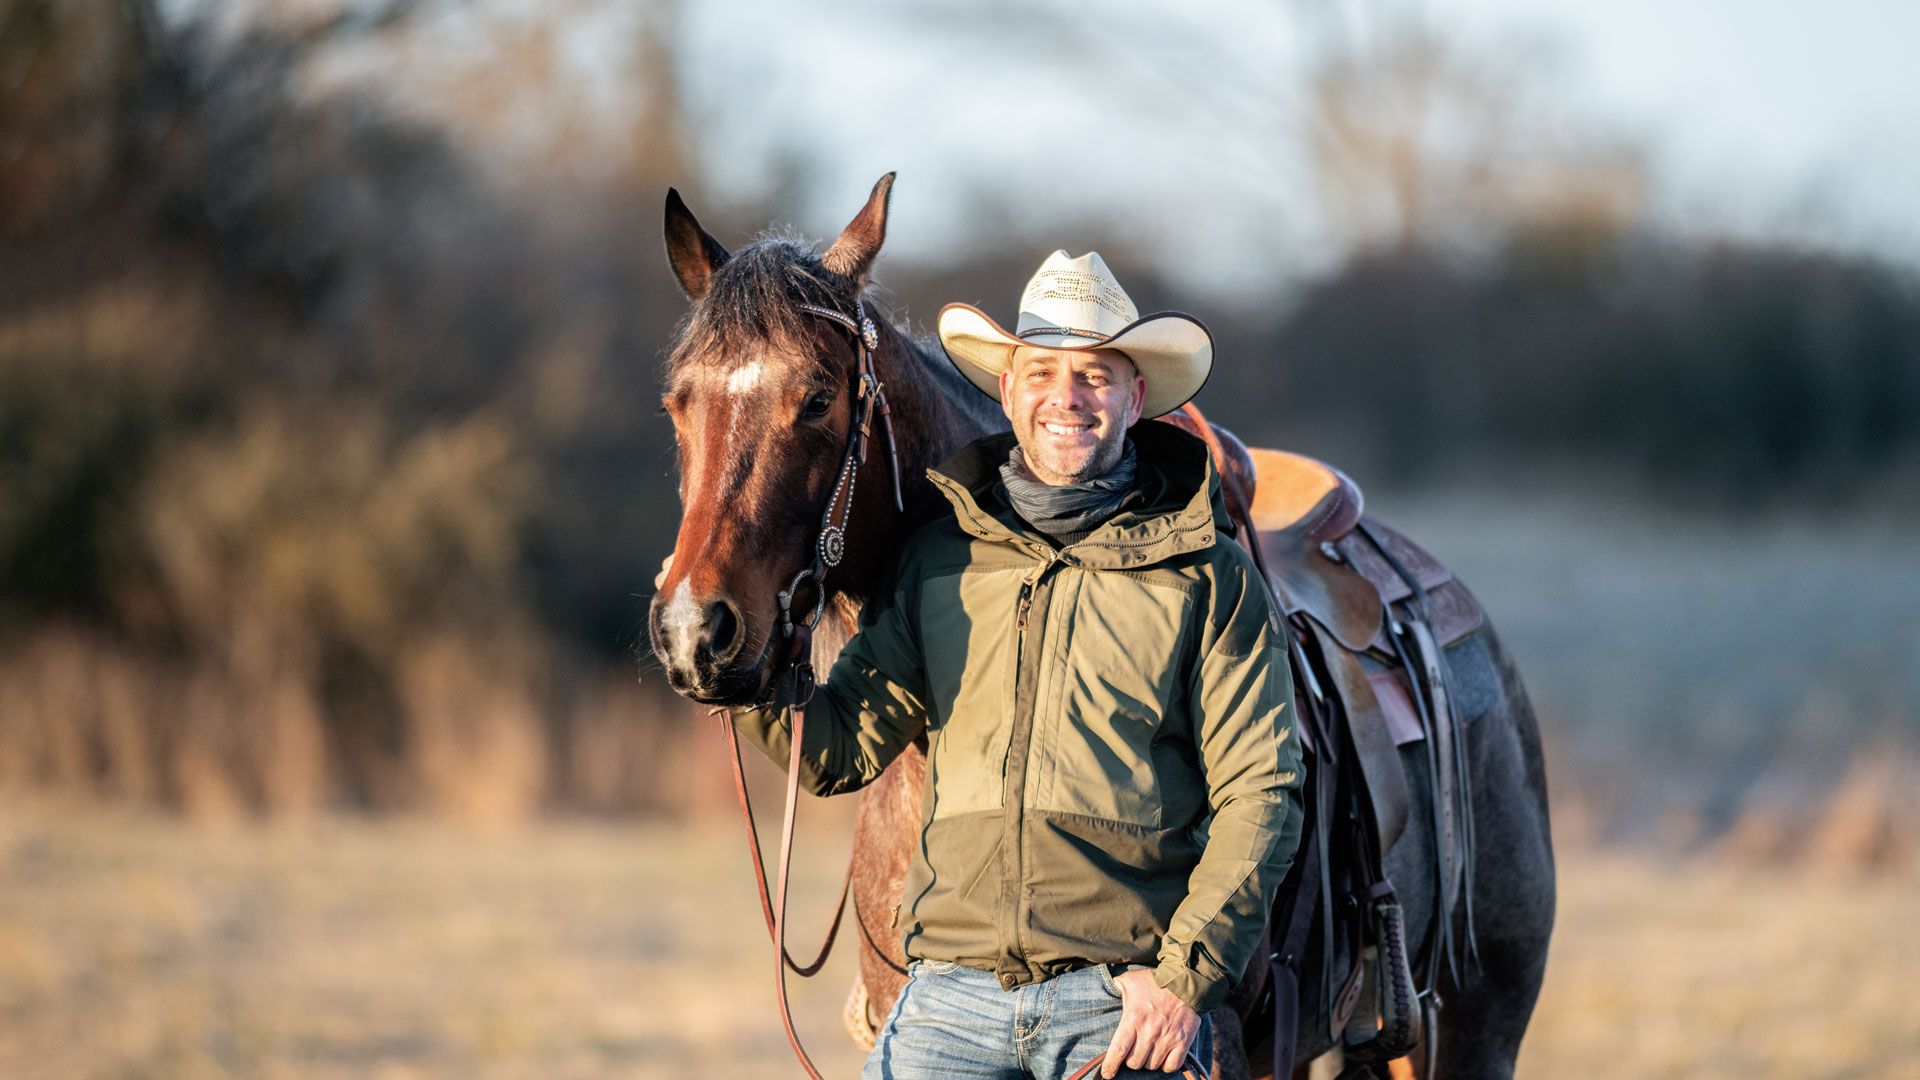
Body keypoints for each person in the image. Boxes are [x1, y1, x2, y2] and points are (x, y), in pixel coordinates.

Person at [727, 251, 1304, 1079]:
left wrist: (1182, 984)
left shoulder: (1208, 578)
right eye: (1041, 371)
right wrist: (748, 671)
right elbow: (837, 748)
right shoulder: (939, 561)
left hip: (1122, 1010)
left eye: (1095, 376)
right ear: (1007, 390)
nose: (1065, 398)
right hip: (948, 1003)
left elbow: (1263, 794)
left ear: (1136, 396)